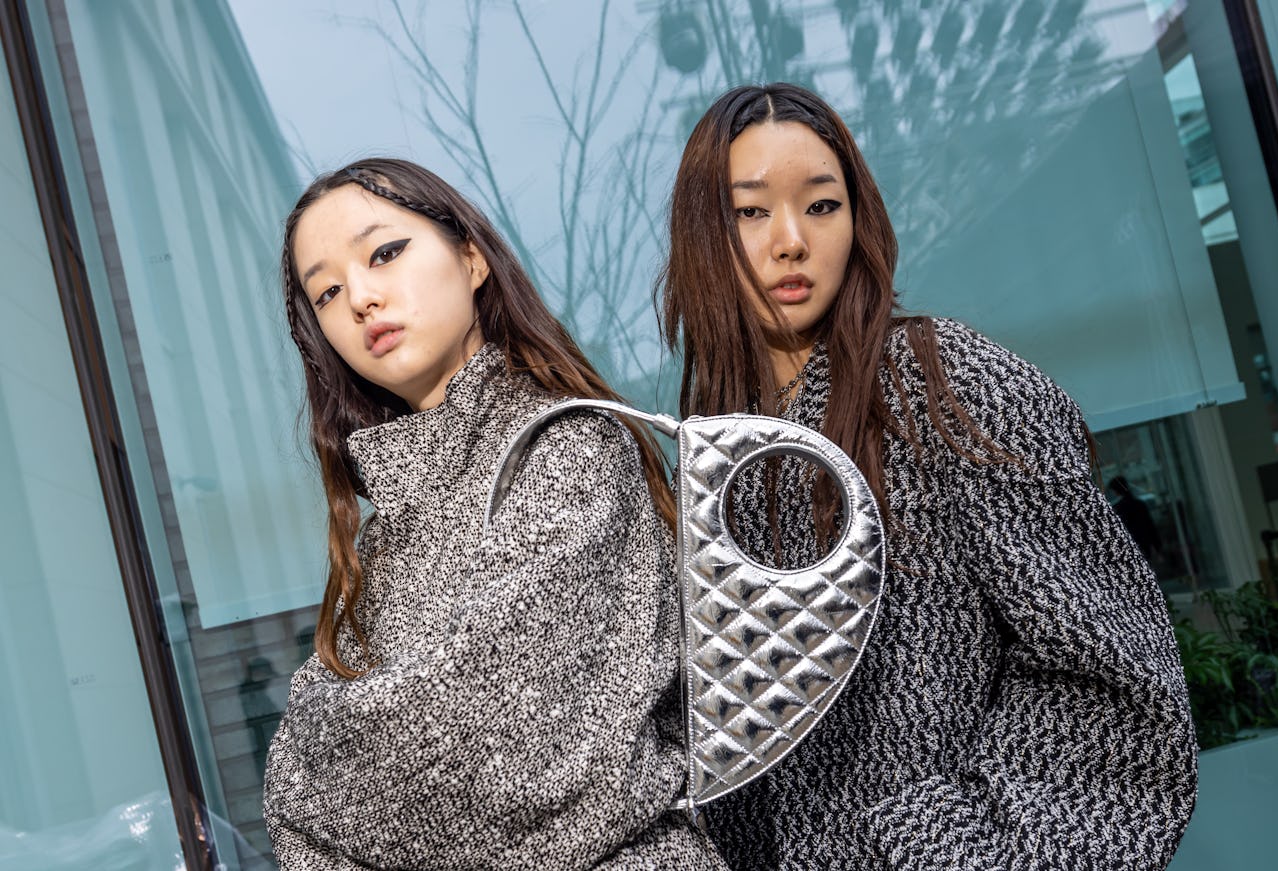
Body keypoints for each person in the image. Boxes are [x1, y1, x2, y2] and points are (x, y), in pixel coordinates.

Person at [658, 83, 1198, 870]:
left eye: (820, 205)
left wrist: (943, 844)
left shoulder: (946, 386)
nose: (790, 241)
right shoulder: (717, 453)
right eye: (750, 211)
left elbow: (1116, 678)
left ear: (859, 217)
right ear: (704, 233)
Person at [262, 157, 724, 870]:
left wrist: (326, 754)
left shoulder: (569, 449)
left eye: (385, 252)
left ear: (471, 257)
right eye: (326, 291)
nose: (358, 297)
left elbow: (488, 752)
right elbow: (292, 823)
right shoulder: (382, 536)